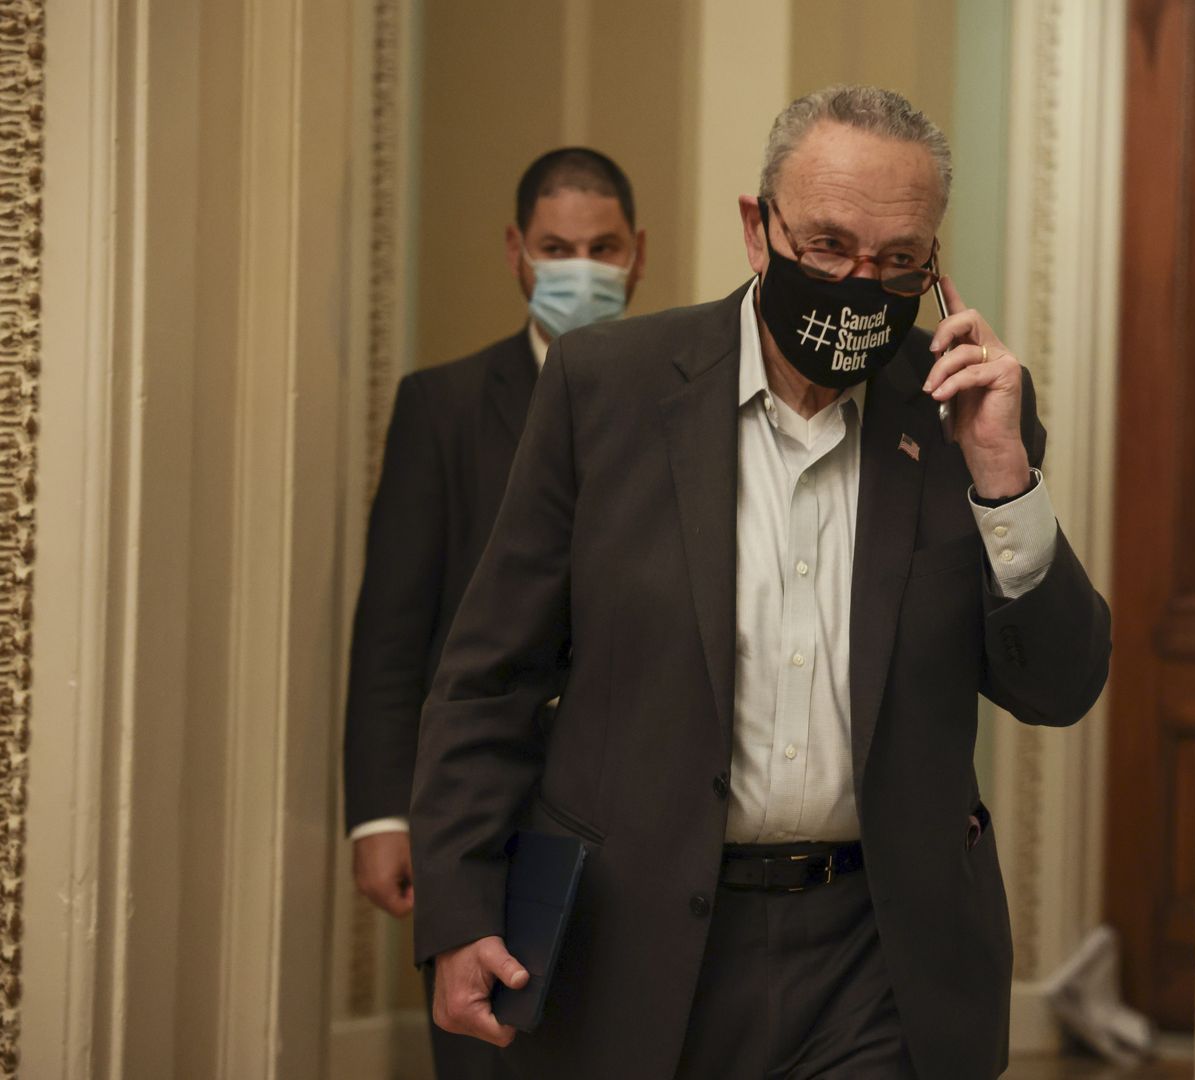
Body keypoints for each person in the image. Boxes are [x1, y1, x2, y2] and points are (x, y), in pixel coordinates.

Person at [410, 86, 1112, 1079]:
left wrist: (1006, 479)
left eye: (898, 261)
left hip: (877, 954)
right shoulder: (603, 388)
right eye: (826, 245)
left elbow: (1059, 685)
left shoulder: (964, 412)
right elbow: (491, 676)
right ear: (758, 229)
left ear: (932, 265)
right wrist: (461, 906)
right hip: (637, 937)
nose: (858, 283)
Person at [341, 146, 645, 1078]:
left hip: (637, 809)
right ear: (517, 251)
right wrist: (382, 815)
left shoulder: (677, 404)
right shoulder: (444, 406)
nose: (581, 270)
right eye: (557, 248)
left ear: (641, 252)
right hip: (482, 810)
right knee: (488, 1052)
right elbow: (395, 628)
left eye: (603, 247)